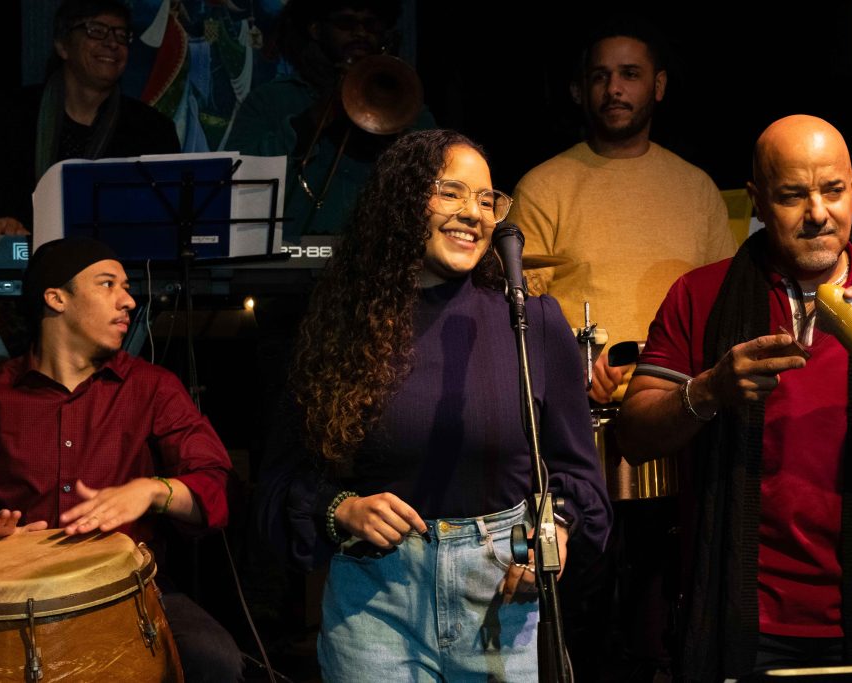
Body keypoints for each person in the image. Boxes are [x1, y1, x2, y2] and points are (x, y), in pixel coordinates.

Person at [618, 115, 852, 680]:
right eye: (792, 196)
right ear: (757, 200)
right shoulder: (698, 295)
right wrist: (710, 390)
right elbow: (634, 437)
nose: (817, 213)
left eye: (833, 191)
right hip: (739, 616)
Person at [256, 129, 612, 680]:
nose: (473, 213)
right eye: (451, 192)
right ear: (403, 201)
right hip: (376, 600)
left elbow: (578, 474)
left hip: (502, 596)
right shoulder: (343, 327)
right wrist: (341, 509)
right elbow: (282, 479)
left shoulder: (531, 323)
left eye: (487, 200)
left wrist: (558, 532)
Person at [0, 237, 244, 682]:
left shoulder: (151, 387)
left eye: (126, 287)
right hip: (8, 602)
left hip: (131, 589)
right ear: (56, 298)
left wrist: (154, 491)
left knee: (214, 660)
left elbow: (218, 486)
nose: (128, 300)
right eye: (108, 284)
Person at [506, 17, 735, 404]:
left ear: (658, 86)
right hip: (577, 408)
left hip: (682, 406)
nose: (614, 88)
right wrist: (570, 357)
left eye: (629, 74)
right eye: (600, 76)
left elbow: (726, 303)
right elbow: (517, 310)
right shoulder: (543, 187)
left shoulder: (698, 188)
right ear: (579, 91)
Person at [225, 0, 436, 239]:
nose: (361, 33)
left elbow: (435, 174)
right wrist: (312, 120)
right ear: (316, 29)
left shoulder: (404, 101)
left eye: (372, 25)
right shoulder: (270, 100)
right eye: (346, 23)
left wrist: (396, 127)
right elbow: (238, 179)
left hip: (377, 249)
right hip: (292, 252)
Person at [0, 0, 180, 236]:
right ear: (62, 45)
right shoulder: (7, 116)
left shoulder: (153, 130)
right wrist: (1, 222)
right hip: (24, 255)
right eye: (96, 30)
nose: (112, 43)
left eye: (121, 35)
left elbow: (165, 221)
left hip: (115, 257)